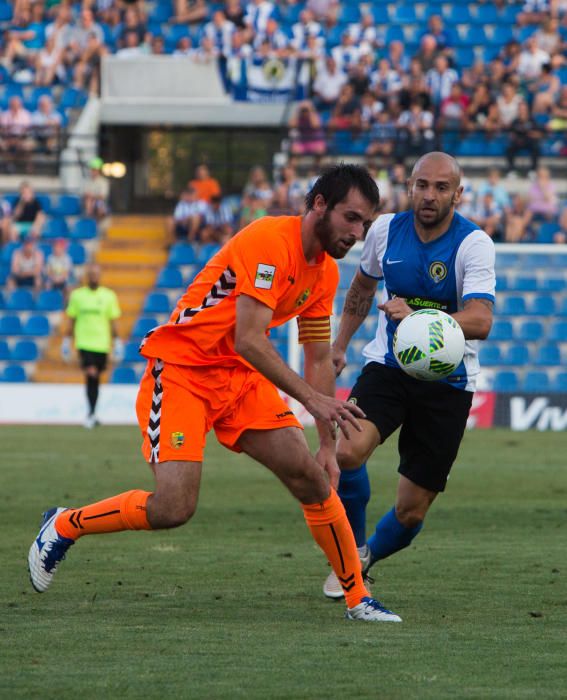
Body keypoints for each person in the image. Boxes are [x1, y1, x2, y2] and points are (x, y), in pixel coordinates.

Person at [28, 164, 402, 623]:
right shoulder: (270, 241)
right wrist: (311, 400)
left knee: (313, 477)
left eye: (364, 223)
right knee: (173, 507)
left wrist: (327, 444)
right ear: (319, 205)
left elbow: (319, 360)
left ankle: (357, 597)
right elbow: (250, 337)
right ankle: (65, 524)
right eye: (351, 217)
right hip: (183, 371)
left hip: (240, 380)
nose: (358, 232)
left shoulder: (323, 274)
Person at [321, 153, 495, 603]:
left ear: (458, 194)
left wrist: (417, 312)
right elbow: (362, 288)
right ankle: (351, 553)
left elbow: (480, 320)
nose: (429, 196)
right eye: (422, 185)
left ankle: (369, 556)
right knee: (347, 450)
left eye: (441, 188)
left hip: (448, 382)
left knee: (411, 511)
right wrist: (340, 345)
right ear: (410, 186)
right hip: (388, 366)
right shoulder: (384, 230)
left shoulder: (473, 244)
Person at [60, 263, 123, 429]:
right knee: (91, 374)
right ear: (88, 276)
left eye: (96, 274)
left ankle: (92, 413)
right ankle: (91, 414)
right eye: (91, 274)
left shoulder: (109, 296)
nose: (94, 277)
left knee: (95, 379)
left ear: (99, 276)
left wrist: (117, 342)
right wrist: (66, 342)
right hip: (84, 342)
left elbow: (113, 321)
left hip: (102, 344)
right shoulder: (78, 296)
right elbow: (72, 320)